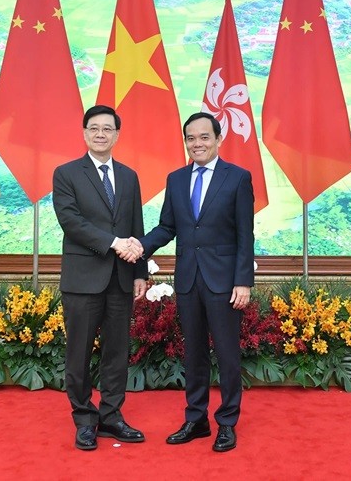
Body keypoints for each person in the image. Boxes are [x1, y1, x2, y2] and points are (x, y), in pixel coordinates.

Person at [126, 111, 254, 452]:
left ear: (218, 139)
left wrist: (243, 281)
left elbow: (245, 234)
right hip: (188, 280)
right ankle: (196, 419)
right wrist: (140, 246)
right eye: (190, 138)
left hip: (225, 283)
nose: (197, 144)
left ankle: (226, 422)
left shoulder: (238, 178)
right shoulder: (177, 179)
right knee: (193, 354)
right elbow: (168, 227)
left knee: (227, 354)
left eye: (203, 137)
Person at [52, 104, 148, 451]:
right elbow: (71, 222)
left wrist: (140, 271)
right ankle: (84, 419)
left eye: (108, 129)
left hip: (121, 279)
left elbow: (135, 227)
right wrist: (113, 243)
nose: (100, 134)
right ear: (84, 133)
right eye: (94, 128)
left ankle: (111, 416)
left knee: (116, 351)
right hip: (82, 279)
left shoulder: (129, 176)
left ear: (117, 135)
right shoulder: (66, 174)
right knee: (78, 352)